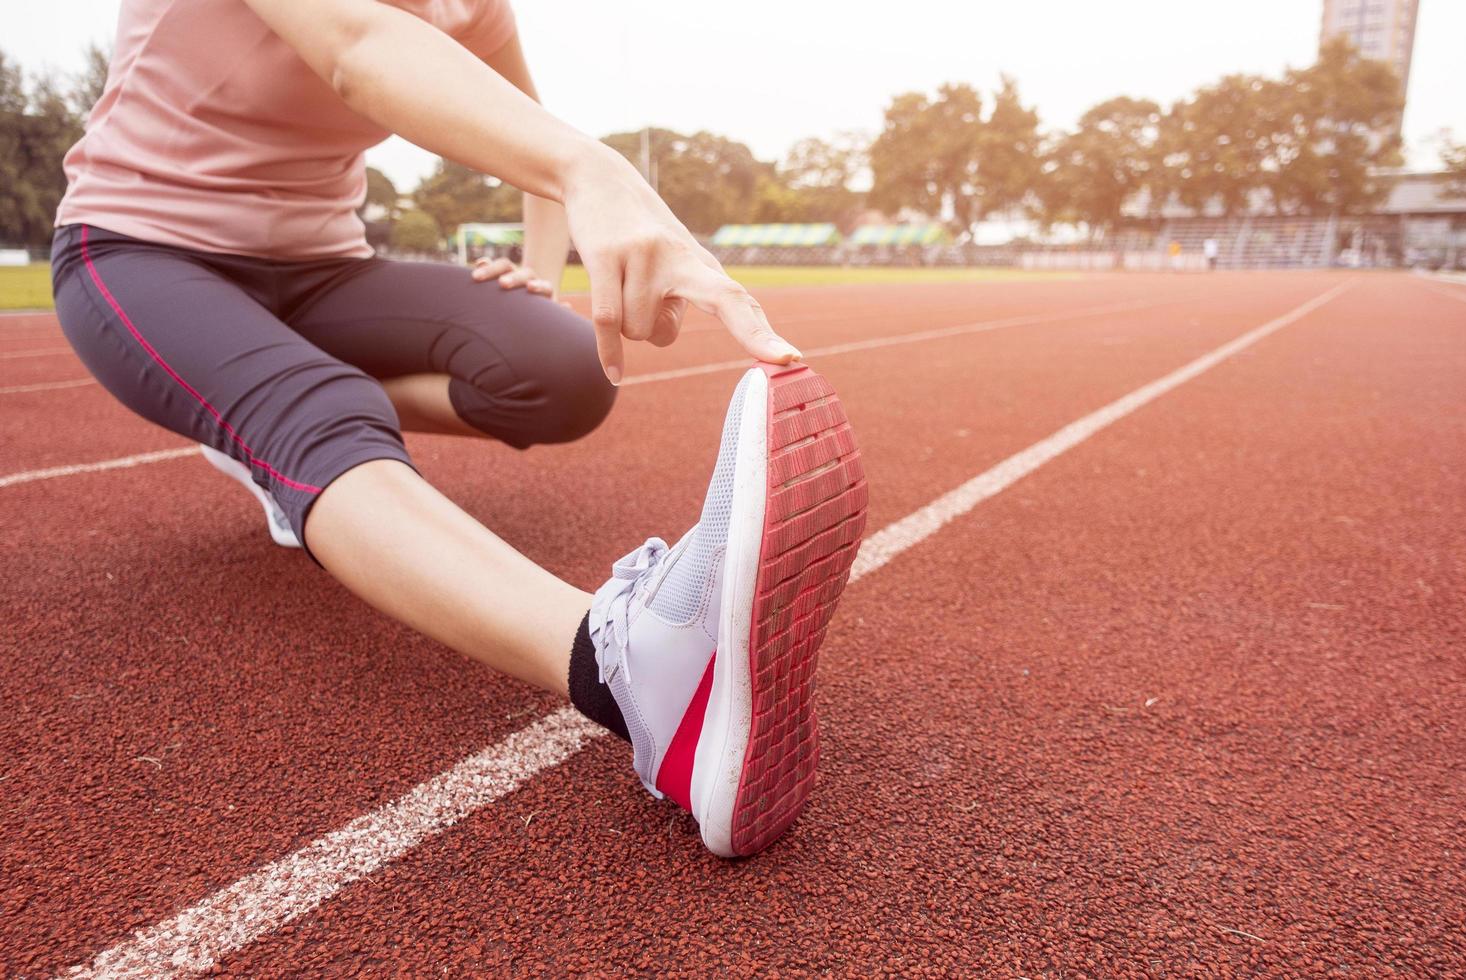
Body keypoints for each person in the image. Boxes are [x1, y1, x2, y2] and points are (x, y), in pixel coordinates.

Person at [49, 0, 867, 858]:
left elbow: (531, 132)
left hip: (325, 268)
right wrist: (600, 173)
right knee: (320, 412)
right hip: (141, 250)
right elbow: (356, 46)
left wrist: (541, 274)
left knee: (565, 365)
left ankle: (263, 410)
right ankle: (629, 669)